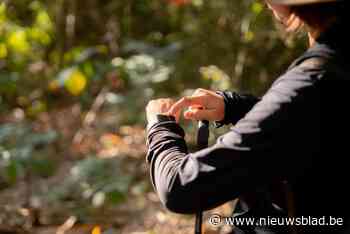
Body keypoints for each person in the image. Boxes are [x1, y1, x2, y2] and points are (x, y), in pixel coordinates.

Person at [145, 0, 349, 233]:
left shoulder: (314, 80)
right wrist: (235, 107)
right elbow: (313, 124)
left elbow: (180, 188)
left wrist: (160, 126)